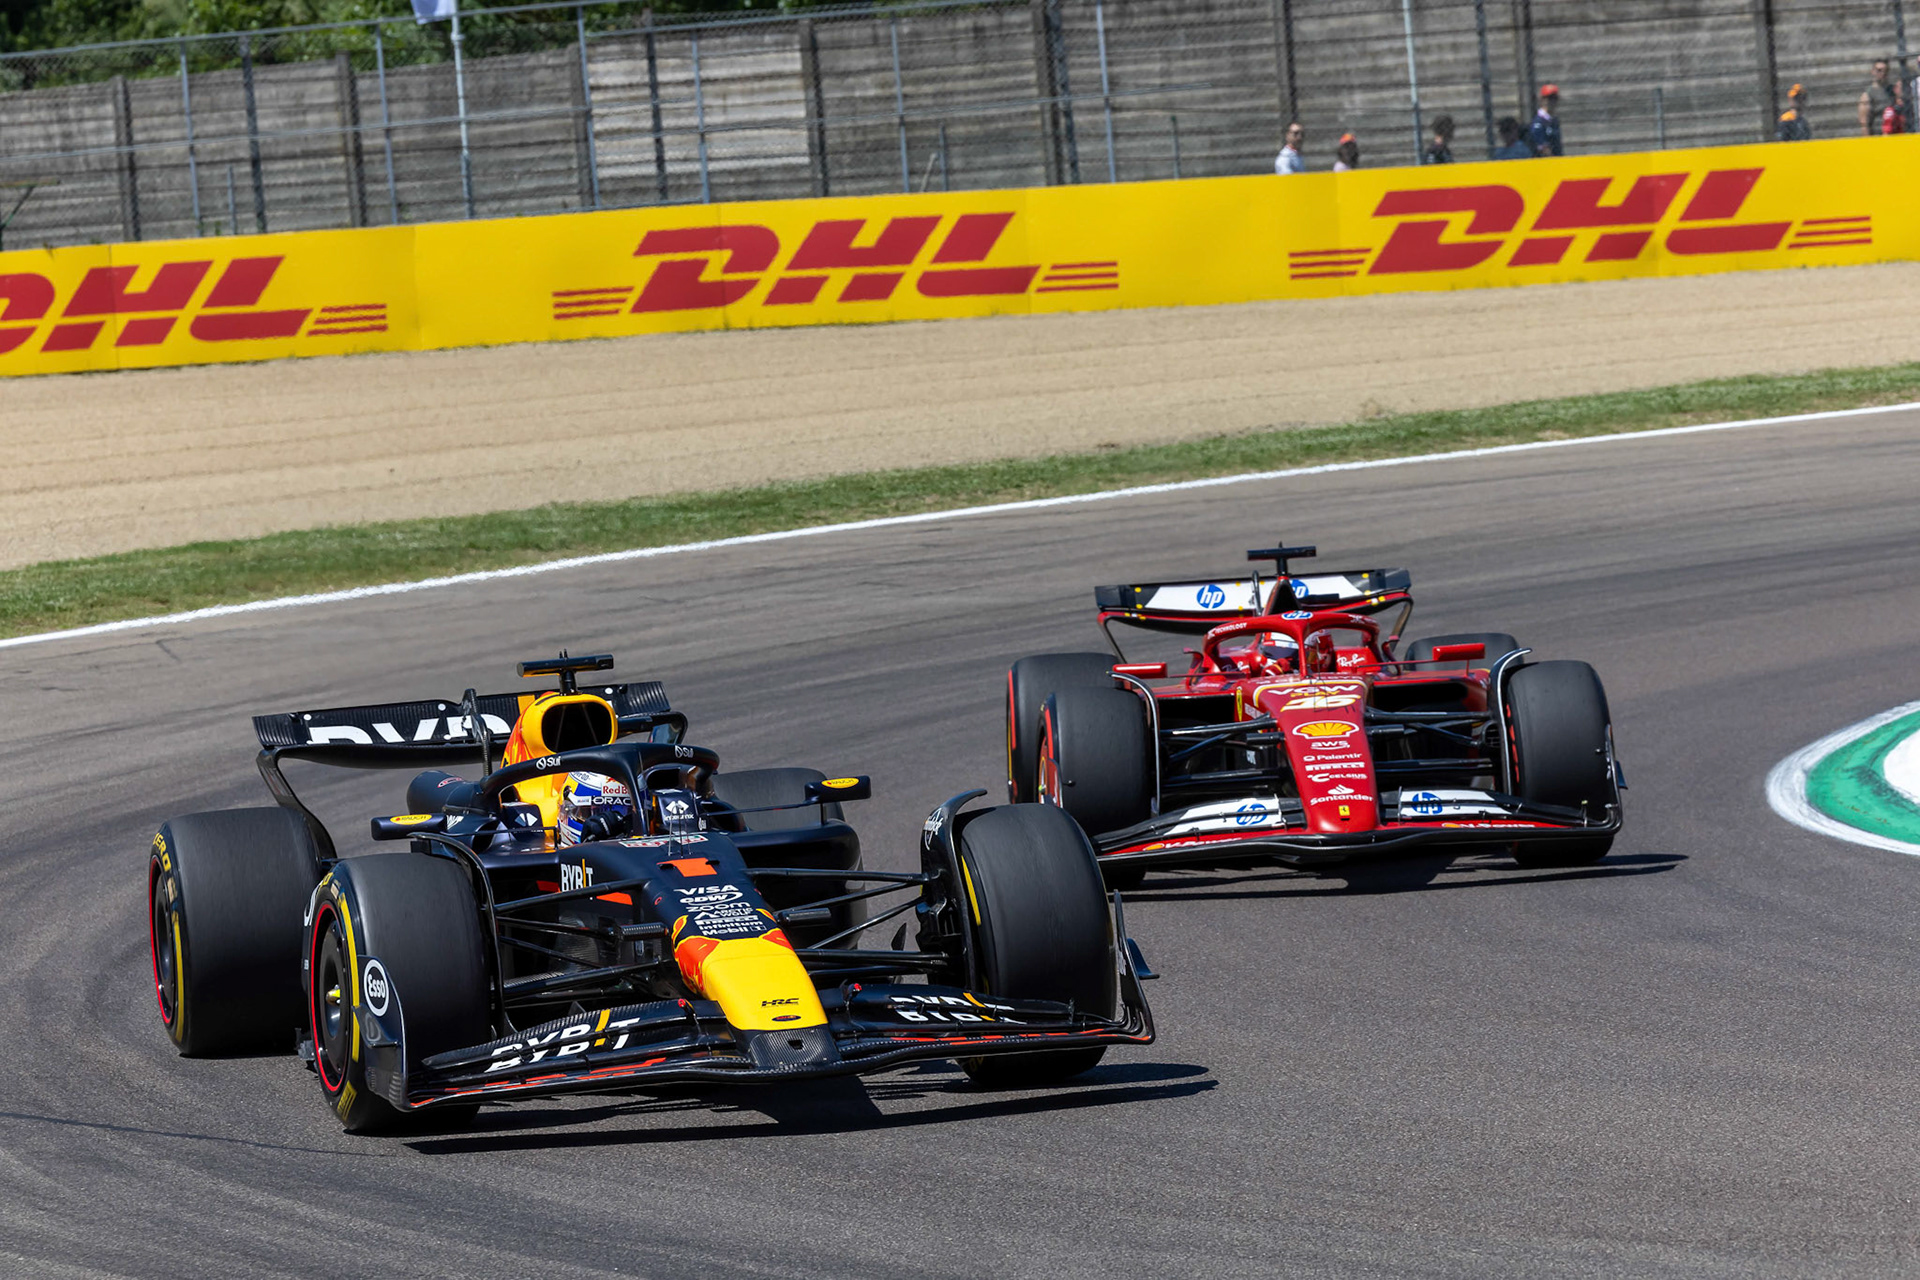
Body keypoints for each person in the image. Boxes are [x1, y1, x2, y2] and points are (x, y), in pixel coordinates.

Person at [1859, 59, 1906, 134]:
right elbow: (1864, 123)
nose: (1883, 73)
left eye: (1885, 71)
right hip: (1879, 137)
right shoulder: (1868, 95)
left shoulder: (1893, 90)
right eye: (1879, 70)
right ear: (1873, 71)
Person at [1528, 84, 1563, 156]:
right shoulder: (1538, 122)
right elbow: (1542, 148)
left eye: (1555, 98)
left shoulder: (1554, 121)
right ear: (1542, 99)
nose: (1552, 101)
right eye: (1549, 98)